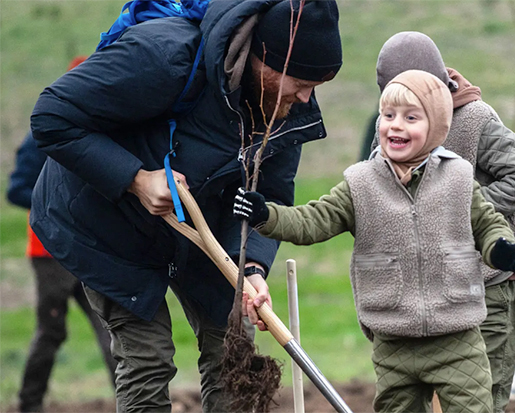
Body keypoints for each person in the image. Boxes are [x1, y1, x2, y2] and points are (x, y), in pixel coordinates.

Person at [28, 0, 342, 411]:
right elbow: (51, 116)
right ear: (264, 58)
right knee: (148, 359)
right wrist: (137, 179)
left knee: (233, 348)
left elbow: (268, 195)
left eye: (317, 85)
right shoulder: (163, 56)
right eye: (300, 82)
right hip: (107, 221)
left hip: (201, 224)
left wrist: (251, 266)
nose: (305, 98)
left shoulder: (284, 110)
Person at [234, 69, 515, 413]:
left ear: (437, 126)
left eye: (411, 118)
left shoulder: (459, 177)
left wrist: (500, 251)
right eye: (388, 116)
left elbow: (489, 224)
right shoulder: (361, 183)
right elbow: (312, 220)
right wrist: (266, 215)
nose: (395, 126)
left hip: (457, 340)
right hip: (394, 345)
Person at [369, 31, 515, 412]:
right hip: (422, 297)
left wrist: (455, 211)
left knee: (481, 404)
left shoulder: (477, 119)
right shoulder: (391, 132)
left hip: (488, 287)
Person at [7, 57, 117, 413]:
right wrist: (59, 206)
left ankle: (129, 403)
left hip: (88, 249)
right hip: (49, 252)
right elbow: (17, 189)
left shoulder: (99, 135)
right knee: (53, 330)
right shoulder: (43, 133)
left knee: (113, 329)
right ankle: (29, 404)